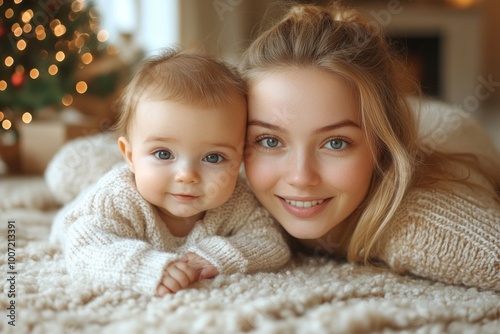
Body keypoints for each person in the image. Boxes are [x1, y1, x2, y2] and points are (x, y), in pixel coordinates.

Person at [240, 3, 500, 291]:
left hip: (446, 125)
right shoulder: (229, 187)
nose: (301, 177)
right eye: (270, 141)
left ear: (383, 147)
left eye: (335, 143)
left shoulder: (425, 222)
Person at [50, 48, 291, 297]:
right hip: (84, 203)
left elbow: (270, 242)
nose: (187, 175)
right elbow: (83, 248)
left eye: (213, 157)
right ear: (130, 155)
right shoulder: (118, 198)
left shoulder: (237, 200)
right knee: (67, 175)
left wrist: (219, 254)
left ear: (239, 160)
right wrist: (146, 267)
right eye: (164, 154)